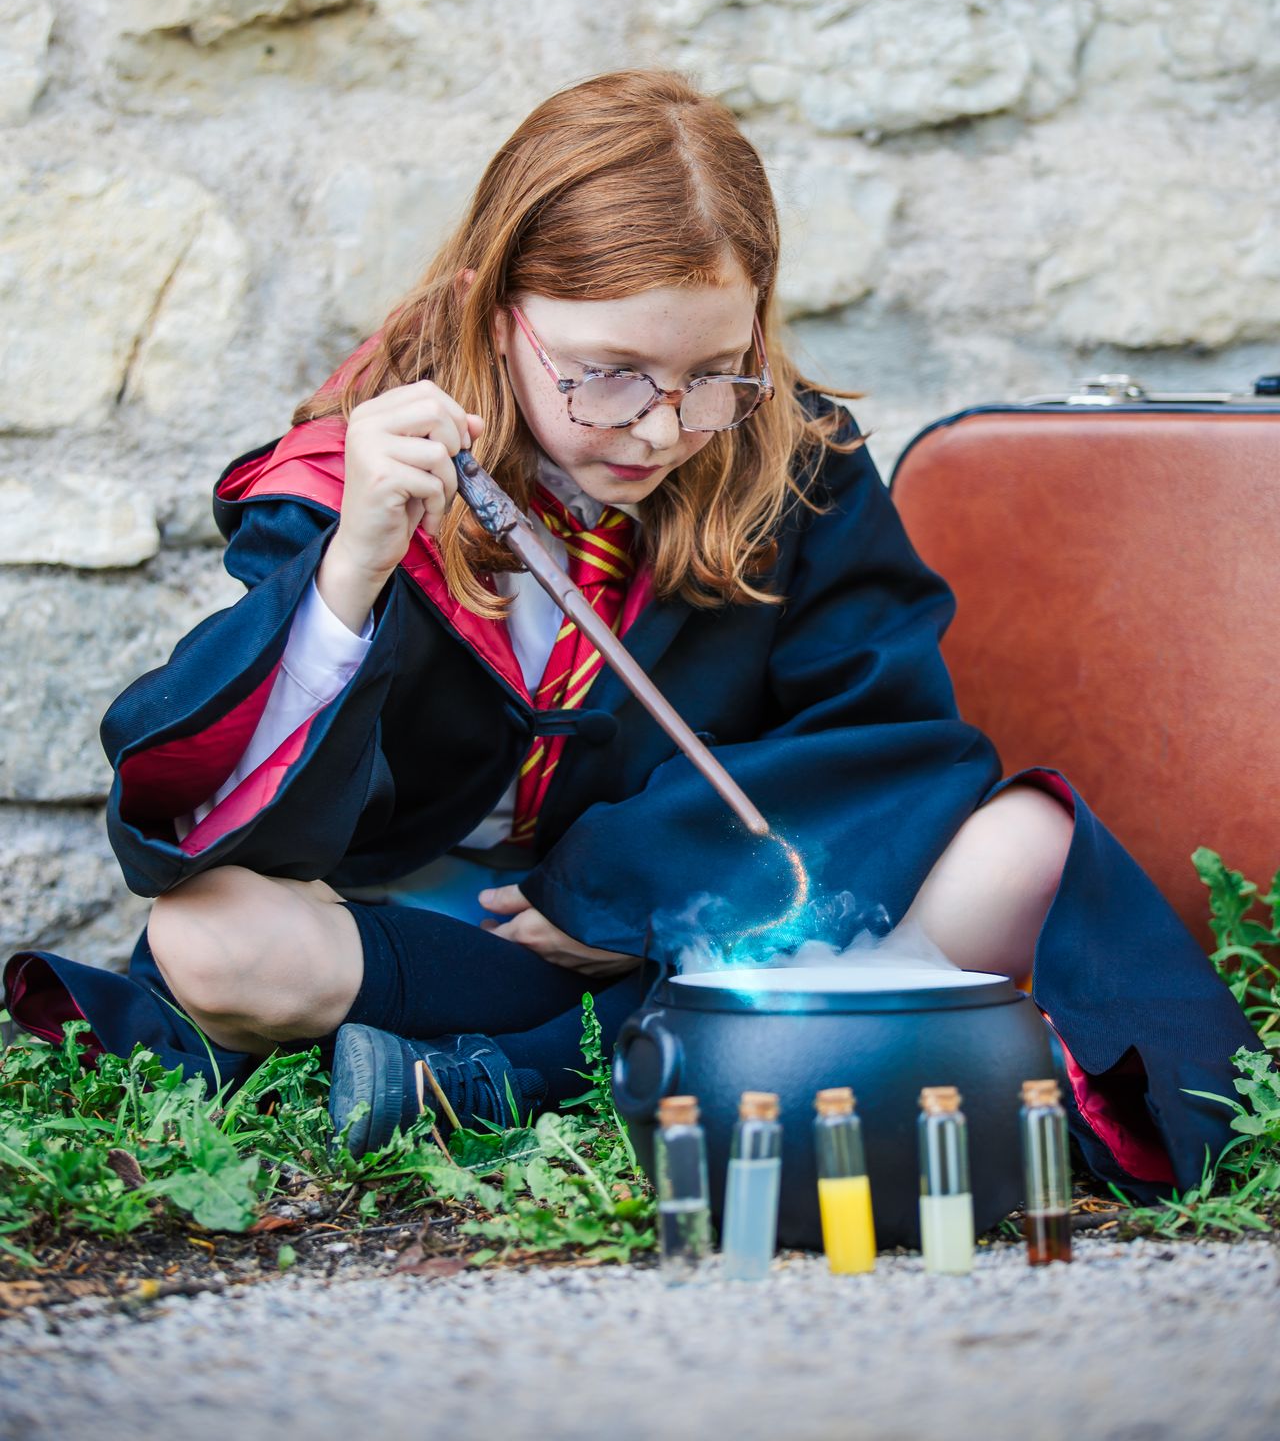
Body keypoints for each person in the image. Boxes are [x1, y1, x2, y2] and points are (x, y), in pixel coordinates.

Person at [3, 70, 1254, 1193]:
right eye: (604, 373)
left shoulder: (790, 459)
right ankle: (617, 1069)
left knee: (1024, 838)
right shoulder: (355, 471)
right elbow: (218, 814)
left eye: (712, 371)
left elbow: (892, 743)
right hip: (439, 937)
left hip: (693, 929)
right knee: (212, 939)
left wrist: (630, 889)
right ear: (500, 310)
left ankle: (509, 1076)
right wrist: (352, 571)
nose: (659, 429)